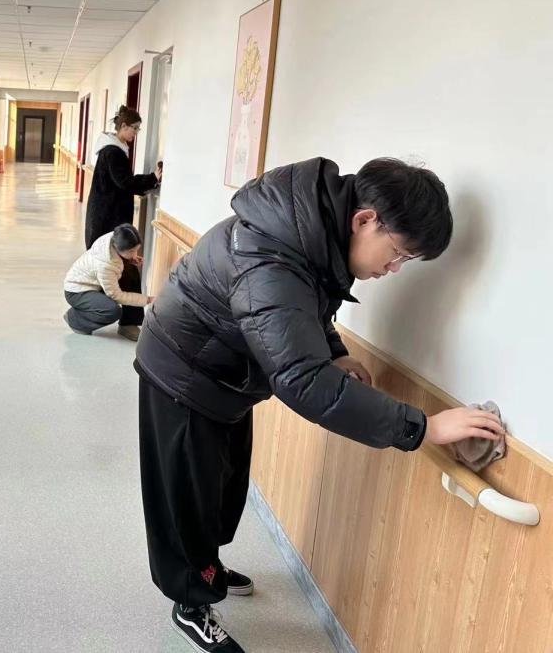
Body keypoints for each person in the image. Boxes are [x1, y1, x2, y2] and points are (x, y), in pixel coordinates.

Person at [134, 157, 505, 653]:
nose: (393, 269)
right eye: (397, 254)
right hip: (182, 373)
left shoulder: (310, 235)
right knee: (186, 495)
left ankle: (207, 567)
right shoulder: (269, 258)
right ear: (365, 220)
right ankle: (190, 602)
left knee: (221, 487)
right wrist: (424, 428)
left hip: (224, 377)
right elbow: (303, 381)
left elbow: (303, 310)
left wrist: (335, 352)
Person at [85, 105, 163, 340]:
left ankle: (85, 316)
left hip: (104, 220)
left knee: (105, 270)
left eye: (138, 129)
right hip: (109, 223)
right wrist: (153, 178)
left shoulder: (111, 149)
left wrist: (149, 182)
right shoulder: (113, 152)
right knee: (125, 270)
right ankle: (128, 323)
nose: (136, 133)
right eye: (134, 129)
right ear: (123, 126)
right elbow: (124, 182)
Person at [63, 224, 154, 337]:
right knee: (112, 311)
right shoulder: (105, 265)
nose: (135, 254)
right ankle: (75, 319)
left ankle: (129, 323)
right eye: (131, 251)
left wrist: (130, 259)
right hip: (77, 291)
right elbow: (116, 295)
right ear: (118, 248)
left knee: (131, 271)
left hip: (94, 283)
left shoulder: (115, 238)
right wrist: (147, 300)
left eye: (137, 250)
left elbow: (117, 260)